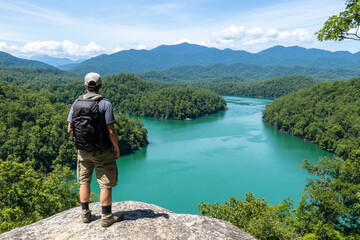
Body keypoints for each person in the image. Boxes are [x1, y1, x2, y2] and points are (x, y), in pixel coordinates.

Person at [67, 72, 122, 228]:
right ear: (100, 85)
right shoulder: (105, 104)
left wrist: (82, 142)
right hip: (102, 151)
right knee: (105, 183)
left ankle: (85, 214)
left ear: (85, 86)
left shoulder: (76, 103)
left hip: (83, 151)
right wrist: (117, 148)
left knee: (84, 181)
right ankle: (106, 217)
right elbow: (111, 131)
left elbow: (70, 128)